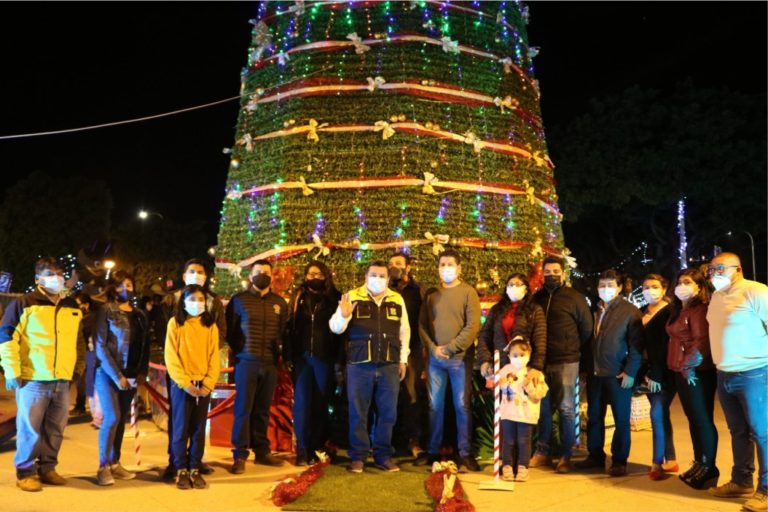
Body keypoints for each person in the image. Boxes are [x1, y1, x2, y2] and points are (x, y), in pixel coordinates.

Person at [0, 257, 86, 492]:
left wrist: (77, 369)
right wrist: (11, 371)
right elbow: (6, 338)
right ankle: (25, 472)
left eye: (59, 272)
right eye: (50, 273)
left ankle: (48, 467)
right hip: (33, 379)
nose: (56, 277)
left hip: (62, 379)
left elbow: (79, 341)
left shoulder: (71, 306)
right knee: (30, 428)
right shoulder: (24, 304)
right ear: (38, 279)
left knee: (56, 428)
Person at [329, 260, 410, 473]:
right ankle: (358, 457)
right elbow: (335, 328)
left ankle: (383, 456)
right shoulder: (352, 296)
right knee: (358, 411)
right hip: (359, 364)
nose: (378, 279)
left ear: (388, 278)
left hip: (389, 365)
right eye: (373, 275)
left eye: (382, 276)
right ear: (366, 277)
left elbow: (405, 332)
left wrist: (403, 359)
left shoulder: (397, 299)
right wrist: (343, 315)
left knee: (388, 413)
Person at [706, 252, 768, 512]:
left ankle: (765, 490)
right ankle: (741, 480)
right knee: (738, 431)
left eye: (719, 268)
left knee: (762, 433)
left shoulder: (755, 291)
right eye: (710, 270)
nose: (713, 274)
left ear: (738, 268)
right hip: (725, 374)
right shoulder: (717, 297)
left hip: (754, 372)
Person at [161, 259, 227, 481]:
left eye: (201, 300)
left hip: (203, 384)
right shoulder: (175, 323)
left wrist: (208, 383)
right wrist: (184, 382)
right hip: (182, 384)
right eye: (192, 299)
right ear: (183, 301)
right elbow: (171, 355)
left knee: (198, 429)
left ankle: (195, 466)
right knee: (179, 428)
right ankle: (179, 466)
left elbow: (213, 356)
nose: (197, 303)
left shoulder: (211, 325)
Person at [575, 269, 644, 477]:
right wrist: (586, 369)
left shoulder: (630, 311)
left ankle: (619, 460)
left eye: (610, 285)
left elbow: (637, 345)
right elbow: (589, 343)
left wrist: (630, 371)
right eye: (602, 285)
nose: (606, 289)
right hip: (596, 374)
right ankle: (595, 455)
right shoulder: (593, 310)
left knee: (621, 419)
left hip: (618, 375)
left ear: (620, 287)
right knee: (595, 416)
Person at [419, 249, 482, 472]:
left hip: (460, 359)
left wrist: (451, 347)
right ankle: (433, 450)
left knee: (462, 406)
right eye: (442, 264)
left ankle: (465, 453)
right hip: (435, 360)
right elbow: (422, 325)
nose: (446, 268)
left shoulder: (468, 292)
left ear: (459, 268)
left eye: (450, 264)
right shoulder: (431, 293)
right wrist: (433, 348)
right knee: (434, 406)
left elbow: (473, 326)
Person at [531, 256, 593, 473]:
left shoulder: (575, 298)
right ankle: (543, 452)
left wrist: (573, 349)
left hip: (566, 360)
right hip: (540, 362)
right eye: (547, 271)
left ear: (563, 273)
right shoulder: (536, 298)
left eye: (555, 271)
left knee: (567, 409)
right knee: (543, 408)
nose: (551, 275)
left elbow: (586, 329)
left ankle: (566, 456)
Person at [227, 259, 288, 473]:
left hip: (270, 363)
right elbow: (231, 332)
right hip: (247, 362)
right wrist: (241, 352)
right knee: (243, 409)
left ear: (272, 276)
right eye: (258, 271)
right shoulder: (239, 300)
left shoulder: (279, 303)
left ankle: (262, 451)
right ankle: (239, 454)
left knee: (262, 409)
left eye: (266, 272)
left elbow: (283, 332)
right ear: (250, 275)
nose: (262, 275)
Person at [93, 271, 150, 486]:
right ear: (112, 289)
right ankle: (102, 467)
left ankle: (114, 462)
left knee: (121, 420)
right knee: (112, 417)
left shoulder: (140, 315)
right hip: (108, 373)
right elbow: (100, 345)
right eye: (120, 285)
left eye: (129, 284)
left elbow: (143, 346)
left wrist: (141, 372)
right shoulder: (106, 311)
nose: (126, 288)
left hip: (132, 375)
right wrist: (117, 376)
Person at [284, 260, 341, 466]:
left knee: (320, 403)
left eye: (318, 274)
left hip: (324, 358)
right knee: (302, 403)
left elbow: (341, 330)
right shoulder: (298, 297)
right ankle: (301, 449)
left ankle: (316, 446)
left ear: (326, 276)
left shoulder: (335, 298)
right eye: (311, 274)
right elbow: (289, 327)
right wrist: (289, 355)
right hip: (302, 358)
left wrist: (338, 360)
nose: (314, 278)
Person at [665, 268, 718, 489]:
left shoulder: (700, 310)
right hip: (681, 371)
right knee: (693, 419)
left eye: (687, 282)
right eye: (679, 281)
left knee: (702, 419)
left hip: (696, 372)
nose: (681, 286)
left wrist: (688, 368)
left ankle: (708, 467)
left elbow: (701, 342)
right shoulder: (680, 309)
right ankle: (699, 463)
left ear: (699, 287)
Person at [638, 274, 677, 480]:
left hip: (663, 374)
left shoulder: (669, 312)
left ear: (664, 289)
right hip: (647, 374)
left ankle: (657, 463)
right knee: (661, 415)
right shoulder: (643, 313)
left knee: (657, 414)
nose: (649, 291)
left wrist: (657, 374)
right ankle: (670, 458)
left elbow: (664, 347)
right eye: (645, 287)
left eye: (654, 287)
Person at [388, 252, 427, 459]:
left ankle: (414, 441)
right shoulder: (383, 289)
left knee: (412, 395)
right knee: (388, 396)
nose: (394, 267)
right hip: (387, 349)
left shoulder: (418, 291)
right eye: (391, 263)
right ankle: (390, 441)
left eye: (399, 263)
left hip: (412, 349)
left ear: (408, 267)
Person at [478, 272, 546, 383]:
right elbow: (485, 335)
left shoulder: (534, 310)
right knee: (503, 399)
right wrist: (484, 360)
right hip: (501, 366)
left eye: (518, 284)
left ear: (526, 289)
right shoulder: (497, 309)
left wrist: (536, 366)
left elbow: (540, 340)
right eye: (511, 284)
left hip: (525, 366)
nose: (514, 287)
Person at [497, 338, 549, 482]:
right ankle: (507, 466)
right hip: (508, 413)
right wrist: (493, 377)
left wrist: (529, 386)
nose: (518, 358)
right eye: (515, 355)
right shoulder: (505, 370)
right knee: (508, 441)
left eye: (522, 355)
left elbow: (540, 394)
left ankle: (522, 468)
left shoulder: (534, 373)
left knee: (524, 441)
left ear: (529, 355)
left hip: (526, 415)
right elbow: (495, 382)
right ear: (509, 356)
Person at [71, 291, 95, 417]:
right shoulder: (79, 316)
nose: (78, 307)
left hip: (88, 352)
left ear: (87, 304)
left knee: (82, 381)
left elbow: (85, 335)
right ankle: (81, 405)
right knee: (80, 381)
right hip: (81, 352)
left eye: (79, 304)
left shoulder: (89, 318)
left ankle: (81, 406)